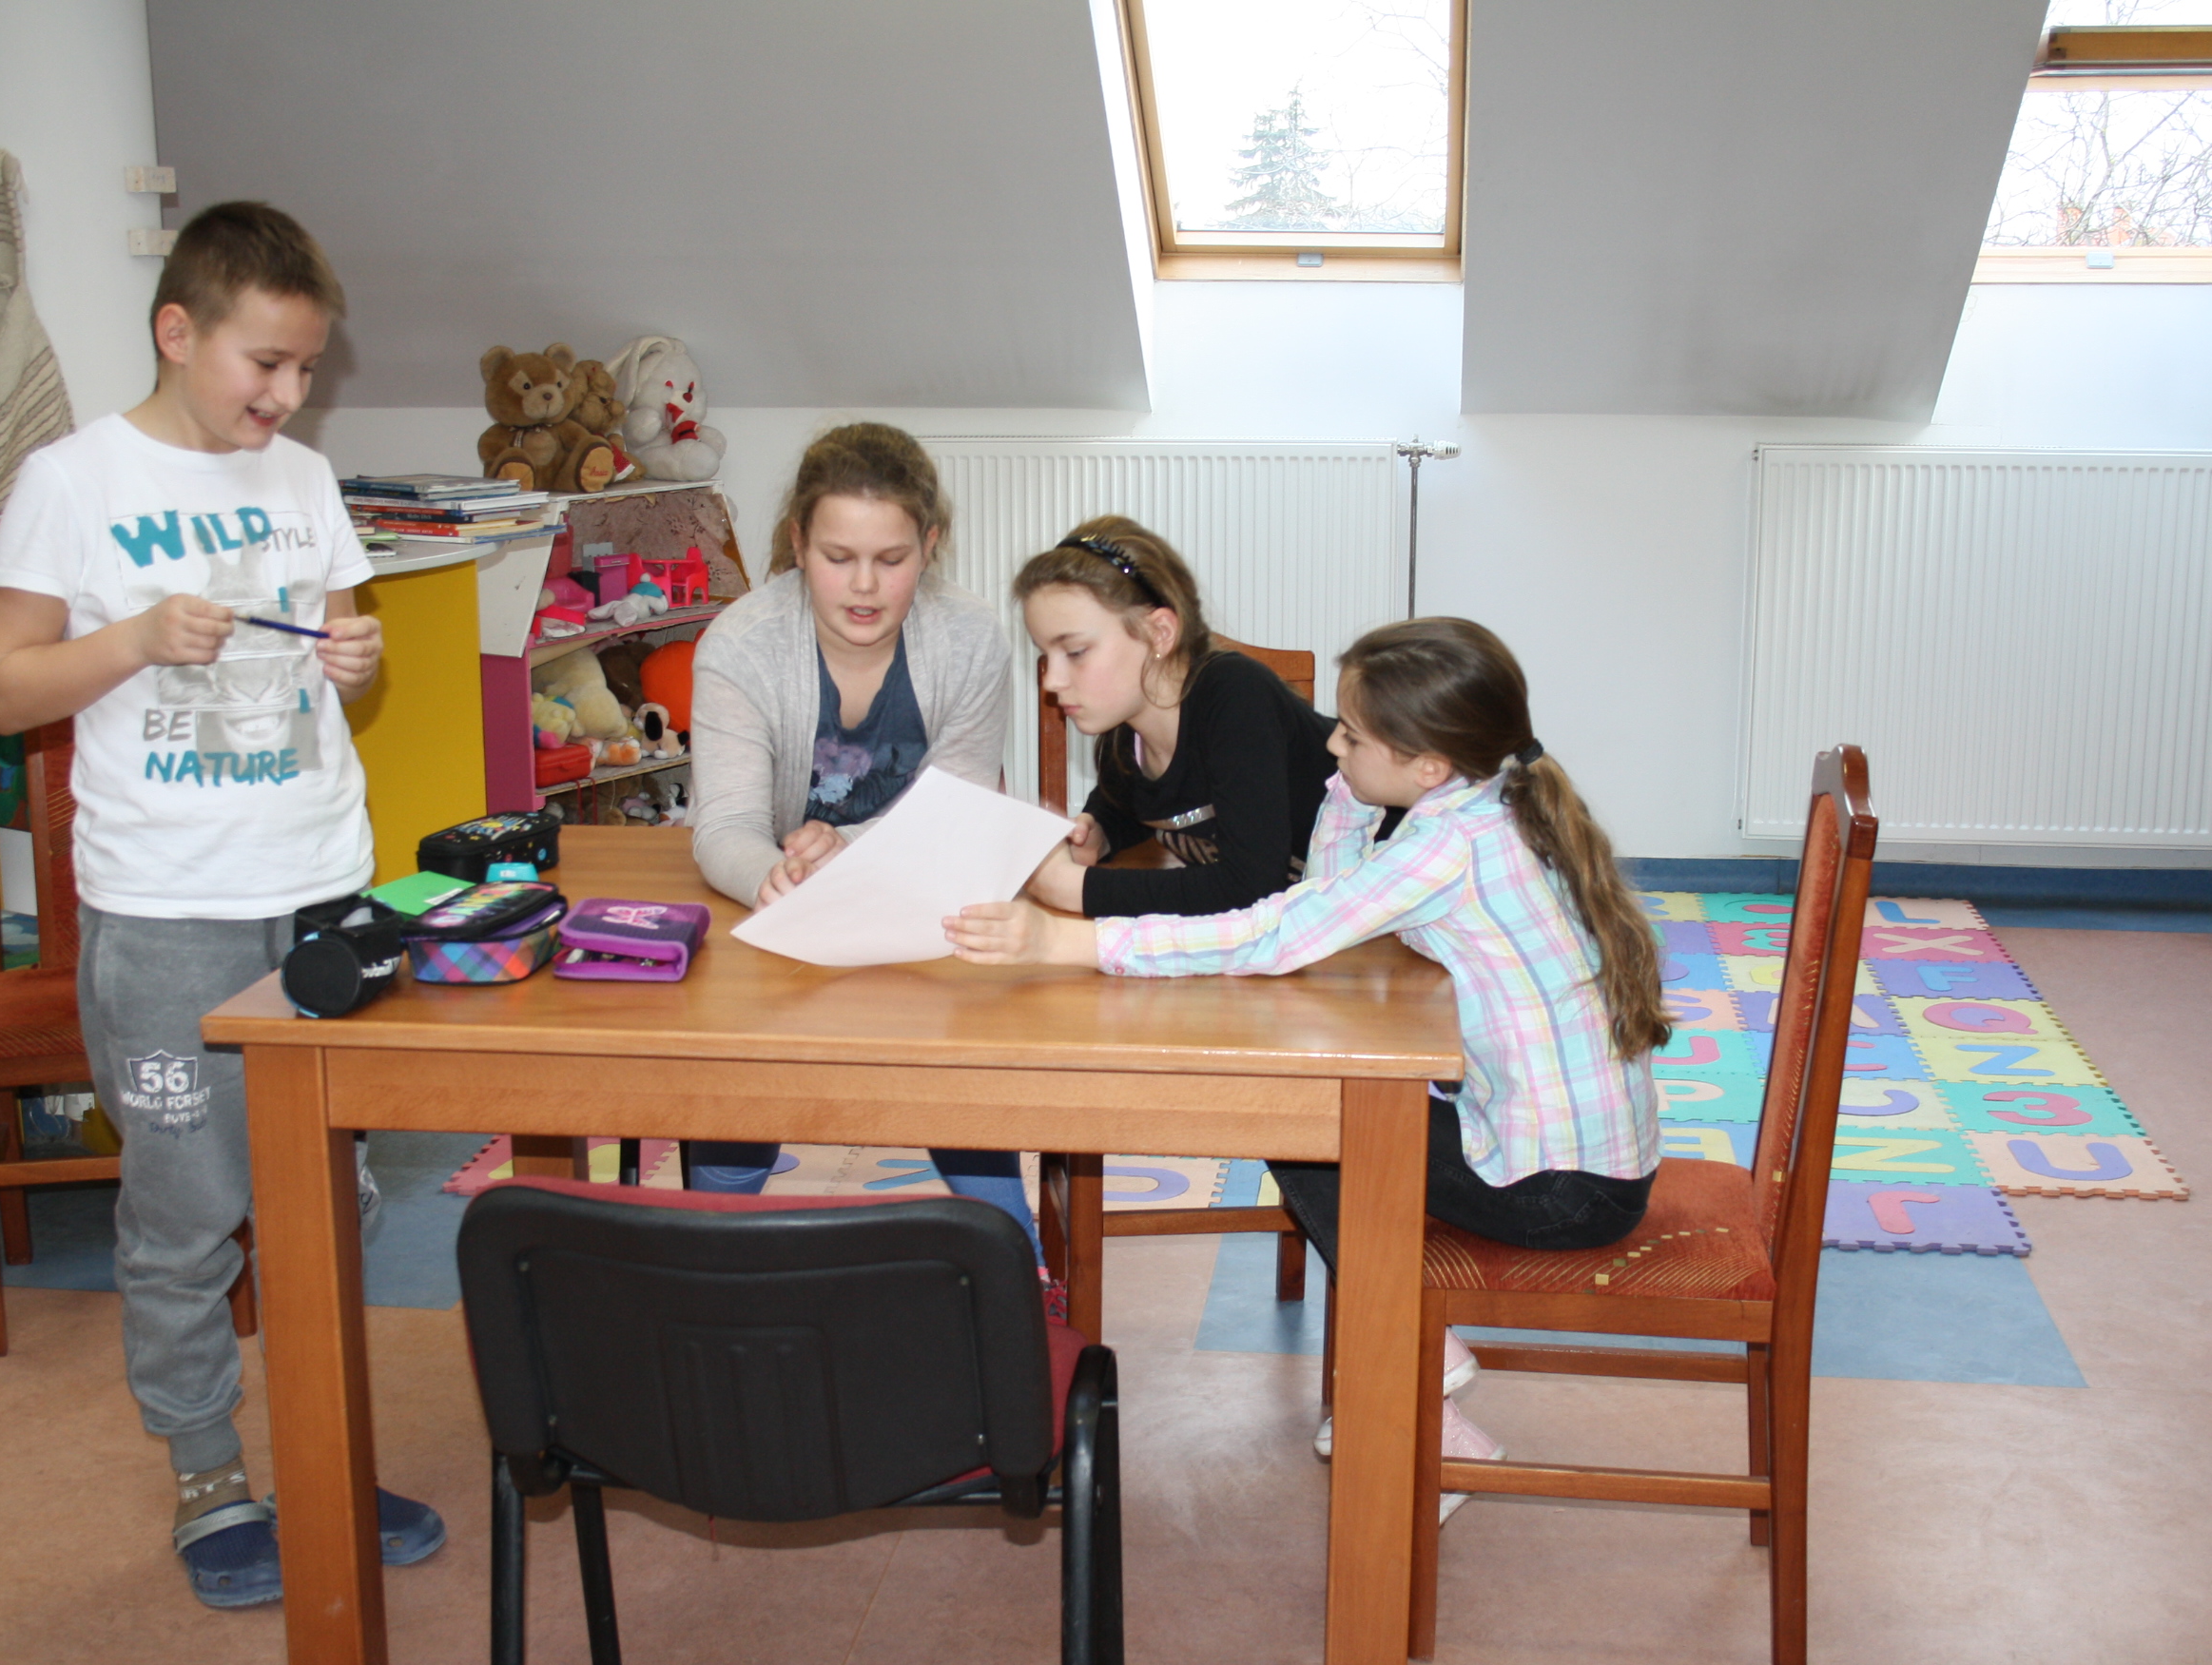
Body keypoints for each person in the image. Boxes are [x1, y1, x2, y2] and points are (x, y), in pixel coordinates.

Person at [0, 201, 442, 1608]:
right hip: (168, 909)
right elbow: (4, 689)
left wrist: (355, 660)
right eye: (266, 363)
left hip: (319, 890)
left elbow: (345, 646)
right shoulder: (70, 480)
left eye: (307, 368)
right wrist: (130, 639)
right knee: (186, 1209)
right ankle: (206, 1477)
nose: (288, 394)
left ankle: (322, 1450)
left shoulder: (302, 476)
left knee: (331, 1196)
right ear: (177, 332)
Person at [945, 615, 1668, 1520]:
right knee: (1318, 1117)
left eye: (1352, 737)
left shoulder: (1449, 846)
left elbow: (1282, 932)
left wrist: (1073, 942)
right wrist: (1353, 792)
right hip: (1591, 1163)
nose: (1331, 744)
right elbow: (1327, 898)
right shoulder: (1486, 802)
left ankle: (1409, 1364)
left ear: (1428, 766)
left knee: (1306, 1125)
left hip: (1561, 1191)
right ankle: (1413, 1355)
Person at [685, 422, 1032, 1230]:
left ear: (931, 546)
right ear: (798, 544)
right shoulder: (739, 648)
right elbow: (726, 826)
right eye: (839, 557)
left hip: (924, 918)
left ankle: (1017, 1259)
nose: (865, 586)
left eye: (893, 558)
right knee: (738, 1082)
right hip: (781, 921)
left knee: (962, 1079)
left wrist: (849, 848)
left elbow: (958, 813)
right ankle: (710, 1256)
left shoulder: (971, 638)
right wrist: (773, 876)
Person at [1011, 518, 1336, 918]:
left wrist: (1078, 890)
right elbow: (1135, 805)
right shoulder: (1124, 736)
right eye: (1046, 655)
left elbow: (1252, 885)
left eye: (1076, 651)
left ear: (1160, 632)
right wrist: (1100, 832)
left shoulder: (1235, 695)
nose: (1052, 681)